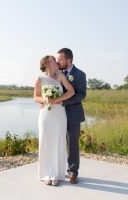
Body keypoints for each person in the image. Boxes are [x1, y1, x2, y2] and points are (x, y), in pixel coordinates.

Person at [34, 55, 75, 186]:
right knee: (45, 141)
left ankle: (56, 174)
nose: (56, 62)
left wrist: (56, 100)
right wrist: (46, 100)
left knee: (58, 142)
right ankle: (46, 174)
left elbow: (71, 92)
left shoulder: (61, 76)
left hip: (59, 114)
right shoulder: (40, 78)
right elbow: (36, 97)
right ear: (47, 63)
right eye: (53, 60)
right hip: (45, 114)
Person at [56, 48, 86, 184]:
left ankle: (73, 172)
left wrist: (63, 101)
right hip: (56, 114)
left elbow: (81, 95)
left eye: (60, 59)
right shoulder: (55, 74)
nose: (58, 61)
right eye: (57, 59)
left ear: (69, 60)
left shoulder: (80, 74)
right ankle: (56, 170)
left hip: (73, 115)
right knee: (57, 143)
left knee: (72, 144)